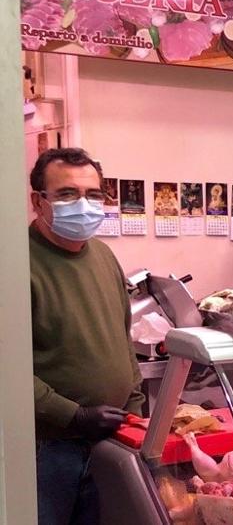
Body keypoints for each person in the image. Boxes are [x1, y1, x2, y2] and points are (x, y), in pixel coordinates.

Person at [29, 148, 144, 525]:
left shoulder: (104, 256)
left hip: (111, 440)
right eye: (66, 194)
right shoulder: (15, 261)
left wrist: (136, 411)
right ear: (38, 201)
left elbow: (121, 338)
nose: (83, 204)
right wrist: (73, 415)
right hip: (48, 447)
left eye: (93, 195)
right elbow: (6, 368)